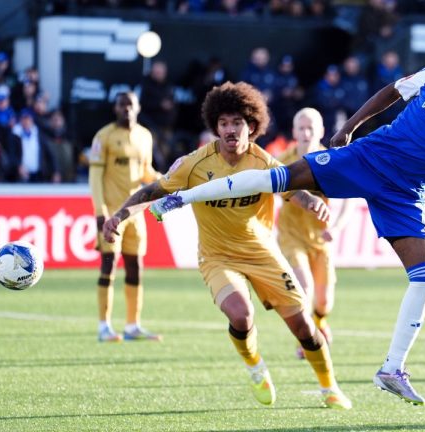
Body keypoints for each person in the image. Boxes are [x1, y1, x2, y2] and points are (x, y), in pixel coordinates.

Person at [148, 39, 425, 406]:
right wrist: (350, 125)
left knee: (424, 277)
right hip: (365, 159)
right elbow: (391, 92)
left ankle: (392, 370)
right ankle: (181, 198)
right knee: (277, 177)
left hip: (403, 194)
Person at [102, 82, 352, 409]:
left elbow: (293, 189)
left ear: (252, 126)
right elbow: (152, 192)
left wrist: (312, 203)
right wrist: (119, 216)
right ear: (215, 127)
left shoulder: (264, 162)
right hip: (217, 256)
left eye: (237, 123)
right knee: (241, 314)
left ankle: (329, 387)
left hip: (262, 253)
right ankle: (255, 366)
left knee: (303, 325)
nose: (230, 130)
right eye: (223, 123)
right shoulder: (194, 164)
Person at [277, 107, 352, 359]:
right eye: (302, 127)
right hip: (290, 237)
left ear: (321, 131)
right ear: (294, 131)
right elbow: (278, 192)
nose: (307, 132)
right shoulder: (283, 162)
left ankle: (319, 322)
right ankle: (306, 341)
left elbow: (350, 197)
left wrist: (337, 227)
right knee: (304, 286)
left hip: (320, 239)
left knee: (324, 302)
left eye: (312, 128)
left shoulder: (330, 160)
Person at [89, 91, 162, 343]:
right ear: (115, 109)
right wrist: (100, 212)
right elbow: (95, 178)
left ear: (138, 108)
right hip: (111, 213)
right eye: (122, 105)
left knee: (135, 267)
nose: (126, 110)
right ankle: (103, 326)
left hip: (136, 212)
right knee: (108, 264)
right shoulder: (104, 137)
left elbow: (146, 172)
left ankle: (132, 325)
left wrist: (164, 180)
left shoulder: (144, 136)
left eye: (130, 105)